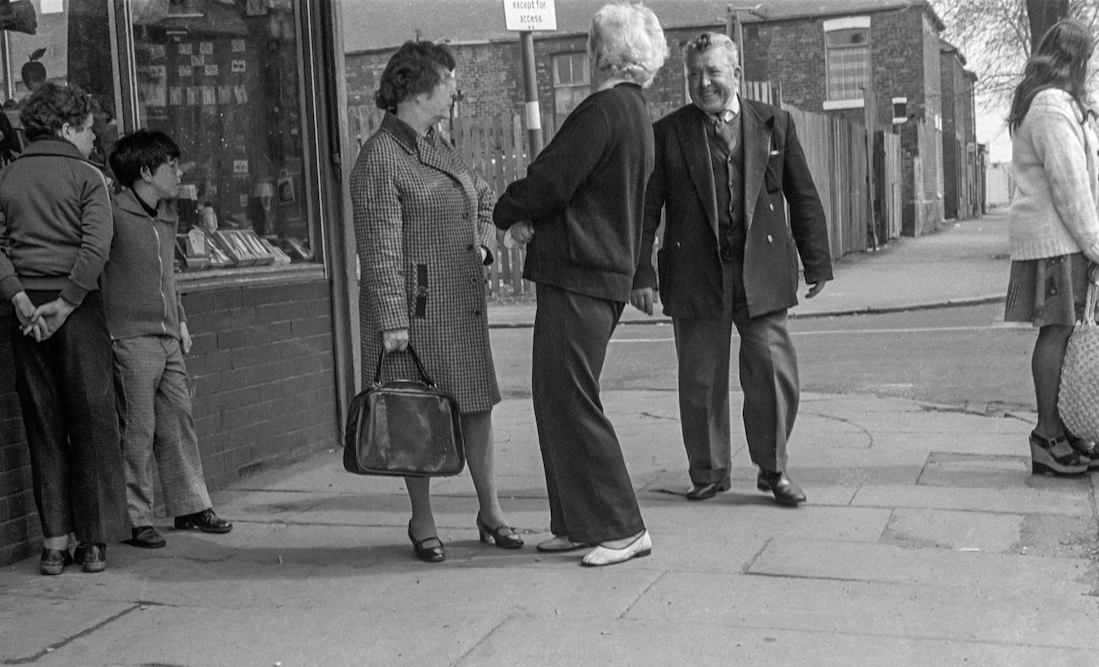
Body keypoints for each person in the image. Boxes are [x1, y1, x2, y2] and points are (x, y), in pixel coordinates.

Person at [493, 3, 668, 567]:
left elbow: (552, 181)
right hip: (600, 272)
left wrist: (509, 211)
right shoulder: (635, 112)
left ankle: (622, 526)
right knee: (555, 398)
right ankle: (576, 522)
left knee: (571, 399)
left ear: (600, 52)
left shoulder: (600, 111)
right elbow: (592, 194)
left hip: (581, 275)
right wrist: (540, 219)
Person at [632, 32, 831, 507]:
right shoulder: (669, 132)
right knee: (700, 379)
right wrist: (641, 272)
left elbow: (801, 195)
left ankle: (773, 469)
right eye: (694, 75)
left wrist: (816, 260)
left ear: (736, 75)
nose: (703, 84)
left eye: (713, 73)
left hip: (761, 269)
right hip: (695, 271)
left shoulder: (774, 124)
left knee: (773, 371)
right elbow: (647, 208)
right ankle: (709, 471)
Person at [350, 40, 526, 563]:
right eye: (449, 80)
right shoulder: (381, 157)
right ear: (419, 88)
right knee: (414, 416)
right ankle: (422, 520)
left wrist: (485, 249)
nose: (456, 90)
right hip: (415, 313)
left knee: (476, 407)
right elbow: (378, 246)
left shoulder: (437, 144)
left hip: (460, 307)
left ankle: (489, 510)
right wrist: (391, 321)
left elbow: (483, 199)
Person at [0, 81, 125, 575]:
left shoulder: (3, 178)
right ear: (65, 128)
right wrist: (66, 302)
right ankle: (93, 543)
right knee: (91, 423)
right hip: (75, 308)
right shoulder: (88, 177)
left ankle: (53, 544)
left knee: (42, 424)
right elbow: (97, 246)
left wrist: (18, 297)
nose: (92, 141)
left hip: (24, 314)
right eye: (86, 130)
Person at [101, 130, 232, 549]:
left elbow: (167, 278)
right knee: (137, 429)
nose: (178, 172)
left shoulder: (166, 215)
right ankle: (135, 517)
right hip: (129, 337)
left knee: (179, 420)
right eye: (169, 165)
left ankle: (191, 506)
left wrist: (182, 322)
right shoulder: (112, 214)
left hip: (167, 336)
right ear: (144, 171)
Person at [1005, 19, 1099, 476]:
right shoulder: (1051, 108)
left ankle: (1068, 428)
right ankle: (1047, 435)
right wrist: (1098, 245)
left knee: (1070, 333)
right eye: (1086, 61)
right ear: (1074, 60)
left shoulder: (1064, 106)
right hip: (1056, 241)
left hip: (1062, 240)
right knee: (1056, 332)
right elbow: (1069, 185)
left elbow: (1089, 174)